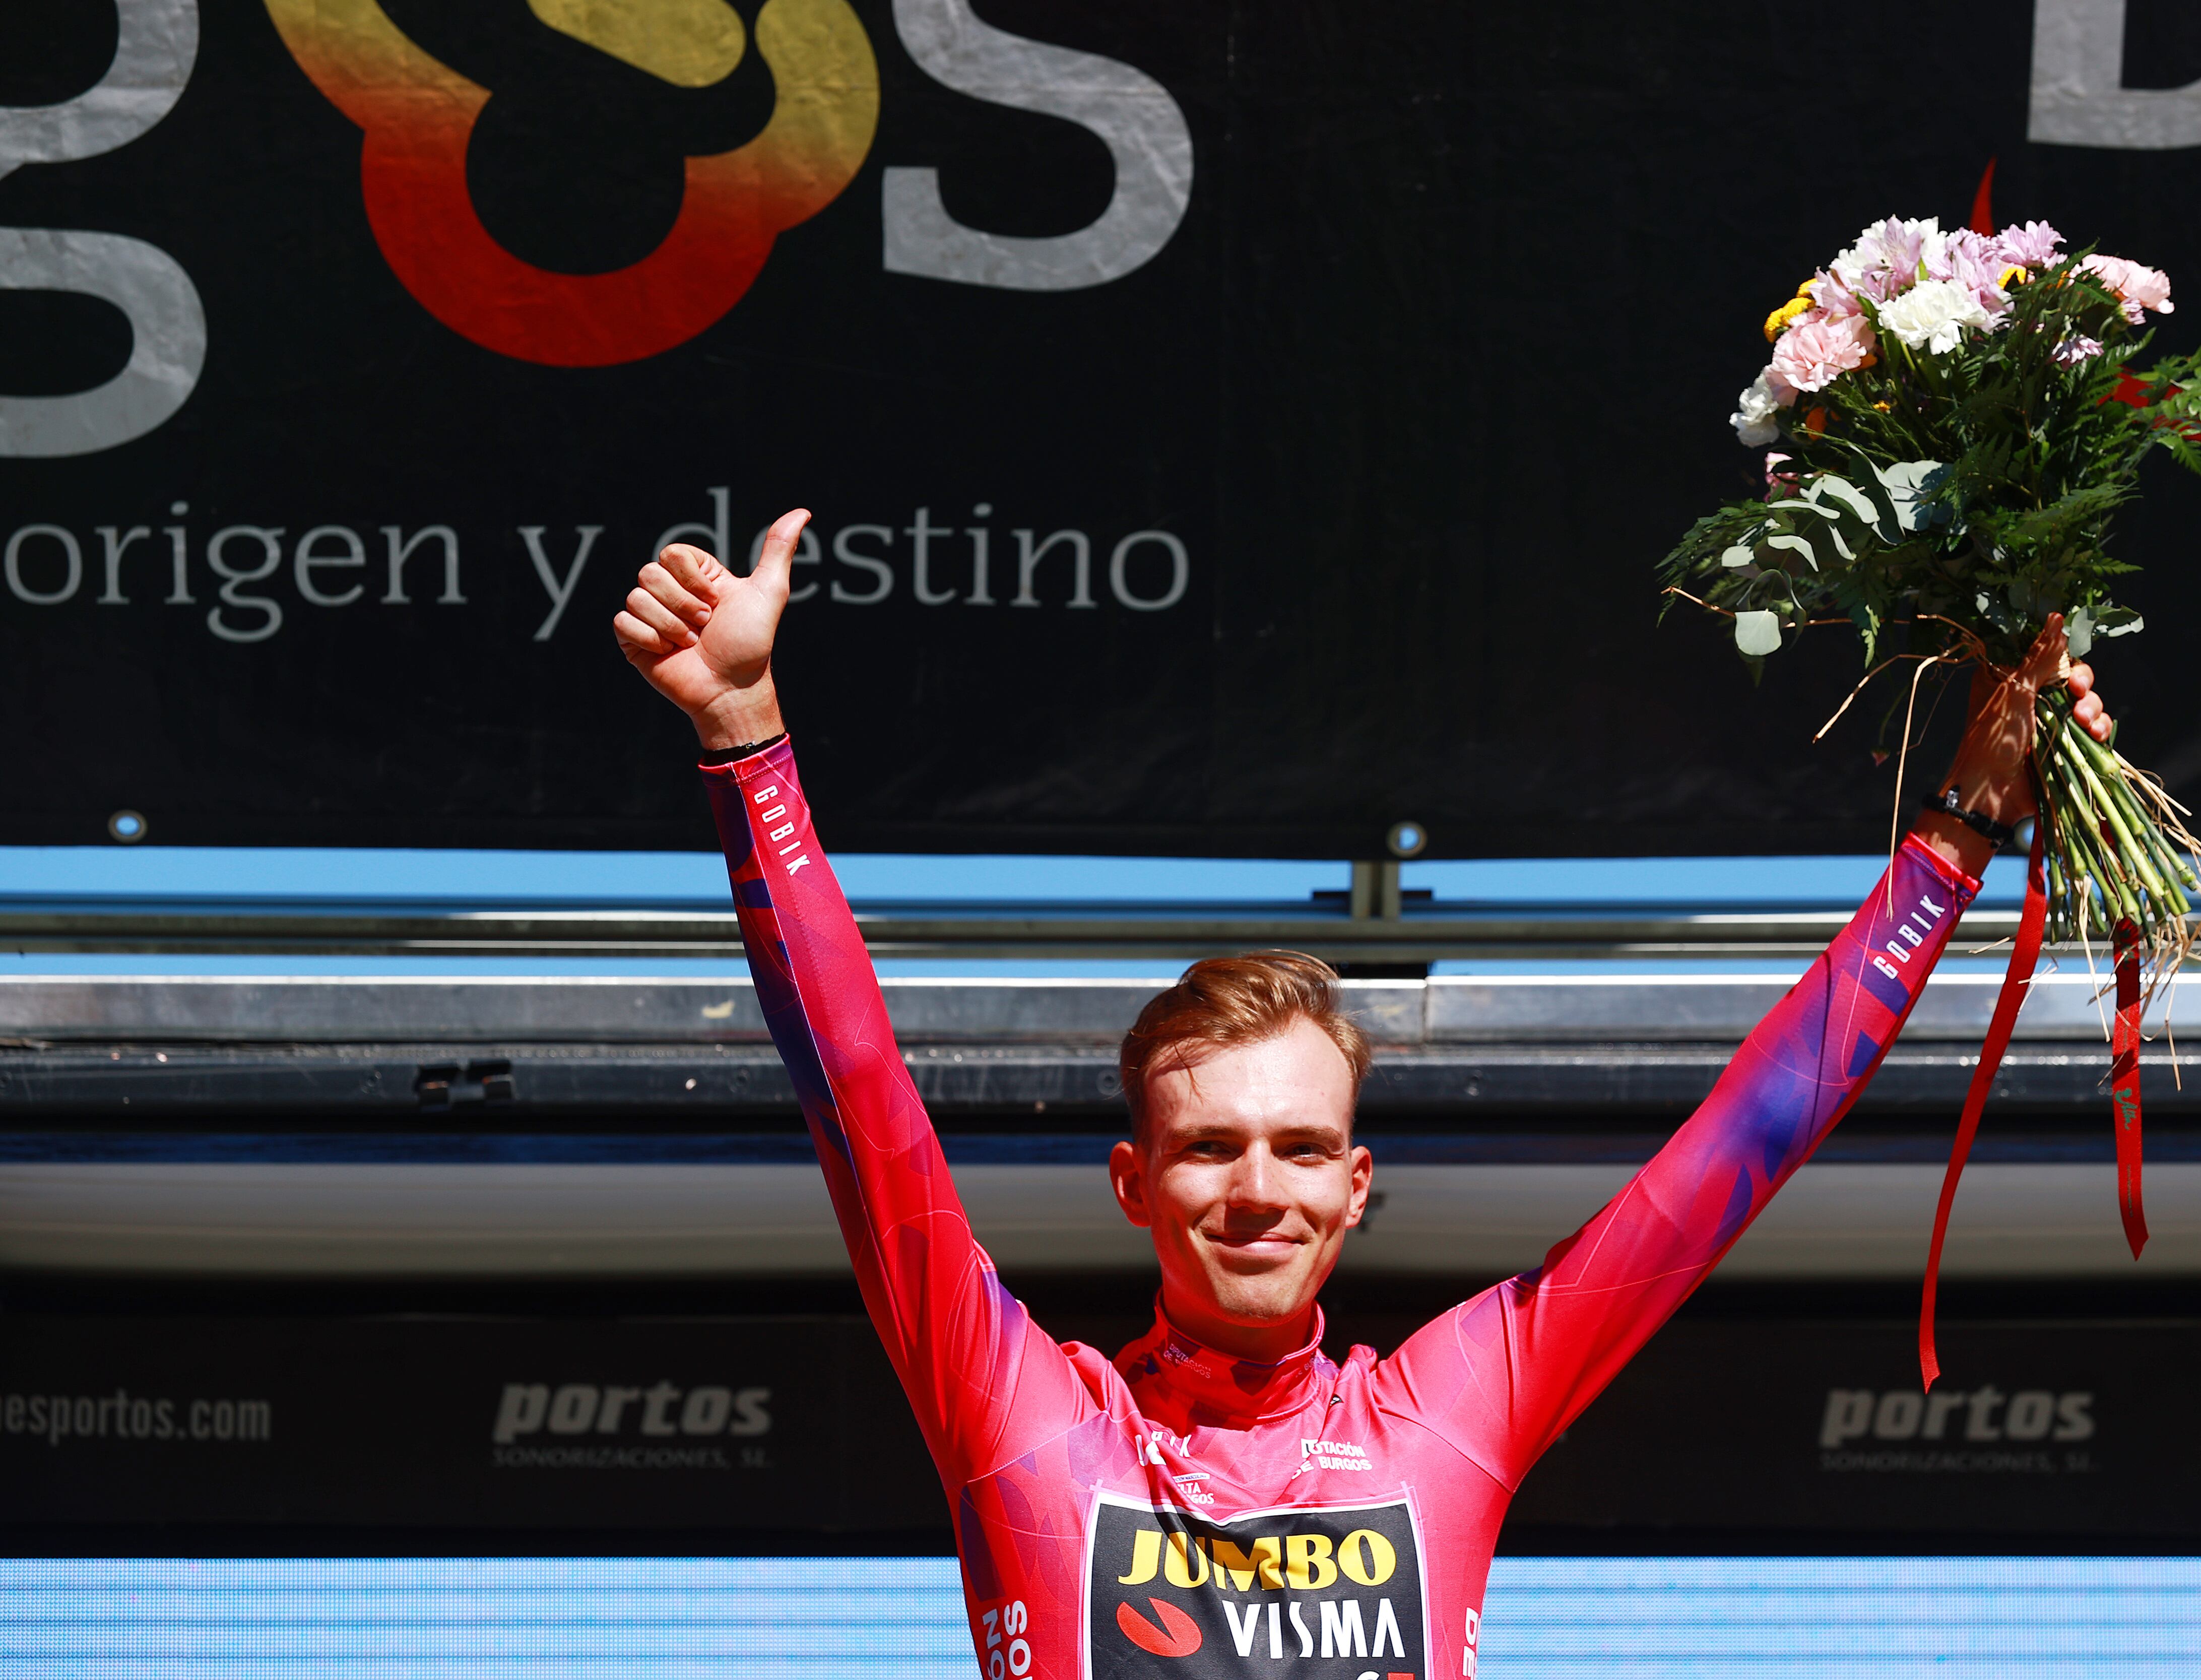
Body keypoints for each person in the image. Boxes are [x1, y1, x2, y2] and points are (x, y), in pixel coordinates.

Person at [615, 510, 2112, 1680]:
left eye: (1299, 1147)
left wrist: (1964, 827)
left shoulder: (1443, 1414)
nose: (1257, 1189)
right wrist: (748, 745)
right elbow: (863, 1104)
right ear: (1135, 1184)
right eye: (1208, 1149)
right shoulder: (1029, 1417)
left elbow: (1742, 1141)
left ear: (1355, 1183)